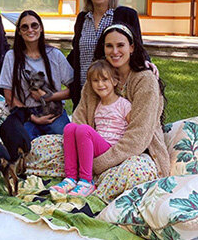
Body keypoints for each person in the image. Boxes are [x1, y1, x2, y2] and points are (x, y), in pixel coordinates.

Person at [70, 23, 169, 189]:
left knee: (132, 173)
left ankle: (91, 186)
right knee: (43, 146)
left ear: (131, 47)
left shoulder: (145, 80)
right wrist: (83, 154)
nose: (114, 52)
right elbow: (79, 117)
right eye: (109, 46)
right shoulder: (97, 76)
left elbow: (138, 137)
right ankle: (80, 179)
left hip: (137, 153)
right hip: (94, 147)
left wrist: (96, 164)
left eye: (120, 45)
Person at [67, 0, 148, 108]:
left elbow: (137, 48)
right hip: (85, 91)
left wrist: (147, 63)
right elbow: (76, 53)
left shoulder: (126, 15)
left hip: (114, 92)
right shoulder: (82, 18)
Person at [52, 59, 131, 197]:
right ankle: (70, 178)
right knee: (70, 127)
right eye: (95, 81)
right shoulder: (97, 105)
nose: (100, 84)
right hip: (96, 146)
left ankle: (86, 181)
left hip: (111, 148)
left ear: (114, 81)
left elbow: (133, 128)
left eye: (105, 79)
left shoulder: (123, 104)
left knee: (83, 129)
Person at [0, 10, 74, 140]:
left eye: (34, 25)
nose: (30, 30)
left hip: (53, 112)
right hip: (25, 112)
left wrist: (48, 97)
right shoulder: (11, 57)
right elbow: (8, 94)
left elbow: (73, 89)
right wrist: (32, 117)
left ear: (41, 28)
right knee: (26, 145)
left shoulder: (55, 54)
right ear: (19, 31)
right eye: (25, 27)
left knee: (67, 143)